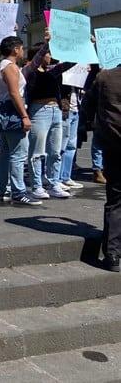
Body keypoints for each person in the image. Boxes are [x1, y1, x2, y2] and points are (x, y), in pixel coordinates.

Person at [23, 37, 75, 200]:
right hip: (39, 111)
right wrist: (47, 44)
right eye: (48, 53)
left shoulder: (52, 71)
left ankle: (54, 183)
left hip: (55, 111)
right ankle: (36, 185)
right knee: (37, 152)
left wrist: (82, 45)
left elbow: (69, 63)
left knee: (55, 151)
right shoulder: (29, 71)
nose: (50, 56)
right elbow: (37, 61)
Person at [82, 61, 121, 272]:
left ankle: (112, 254)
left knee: (115, 200)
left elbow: (87, 104)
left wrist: (97, 126)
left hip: (113, 145)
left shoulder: (105, 77)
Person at [0, 36, 39, 206]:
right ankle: (19, 191)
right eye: (21, 48)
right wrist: (24, 115)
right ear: (15, 50)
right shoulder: (9, 67)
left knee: (5, 152)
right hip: (12, 113)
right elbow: (14, 93)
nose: (23, 51)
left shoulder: (0, 66)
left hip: (3, 113)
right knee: (18, 154)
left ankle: (2, 189)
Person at [59, 83, 83, 189]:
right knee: (61, 146)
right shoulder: (64, 75)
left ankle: (66, 176)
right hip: (65, 111)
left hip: (75, 111)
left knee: (71, 146)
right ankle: (57, 178)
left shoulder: (78, 79)